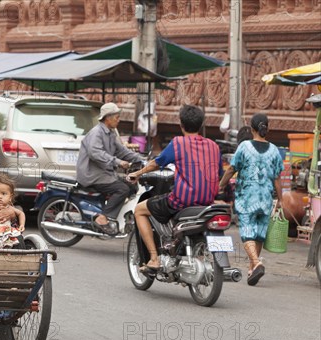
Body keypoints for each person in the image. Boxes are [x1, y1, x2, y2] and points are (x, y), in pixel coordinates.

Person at [127, 105, 222, 273]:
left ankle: (154, 259)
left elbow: (157, 163)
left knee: (139, 210)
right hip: (207, 202)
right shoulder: (213, 146)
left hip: (182, 201)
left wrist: (138, 173)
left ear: (181, 124)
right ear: (201, 125)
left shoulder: (178, 143)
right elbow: (219, 173)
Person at [219, 113, 284, 286]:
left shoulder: (245, 147)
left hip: (247, 198)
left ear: (252, 128)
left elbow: (232, 169)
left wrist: (220, 185)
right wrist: (282, 201)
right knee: (259, 235)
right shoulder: (274, 150)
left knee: (247, 232)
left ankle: (257, 263)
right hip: (266, 199)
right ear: (267, 128)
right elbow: (277, 178)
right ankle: (252, 269)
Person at [76, 102, 144, 235]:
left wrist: (141, 159)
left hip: (104, 173)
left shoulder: (110, 133)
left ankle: (115, 215)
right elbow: (95, 153)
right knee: (122, 189)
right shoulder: (97, 133)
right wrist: (118, 162)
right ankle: (102, 218)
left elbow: (122, 151)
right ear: (107, 118)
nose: (118, 120)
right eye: (116, 117)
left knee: (131, 186)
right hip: (93, 174)